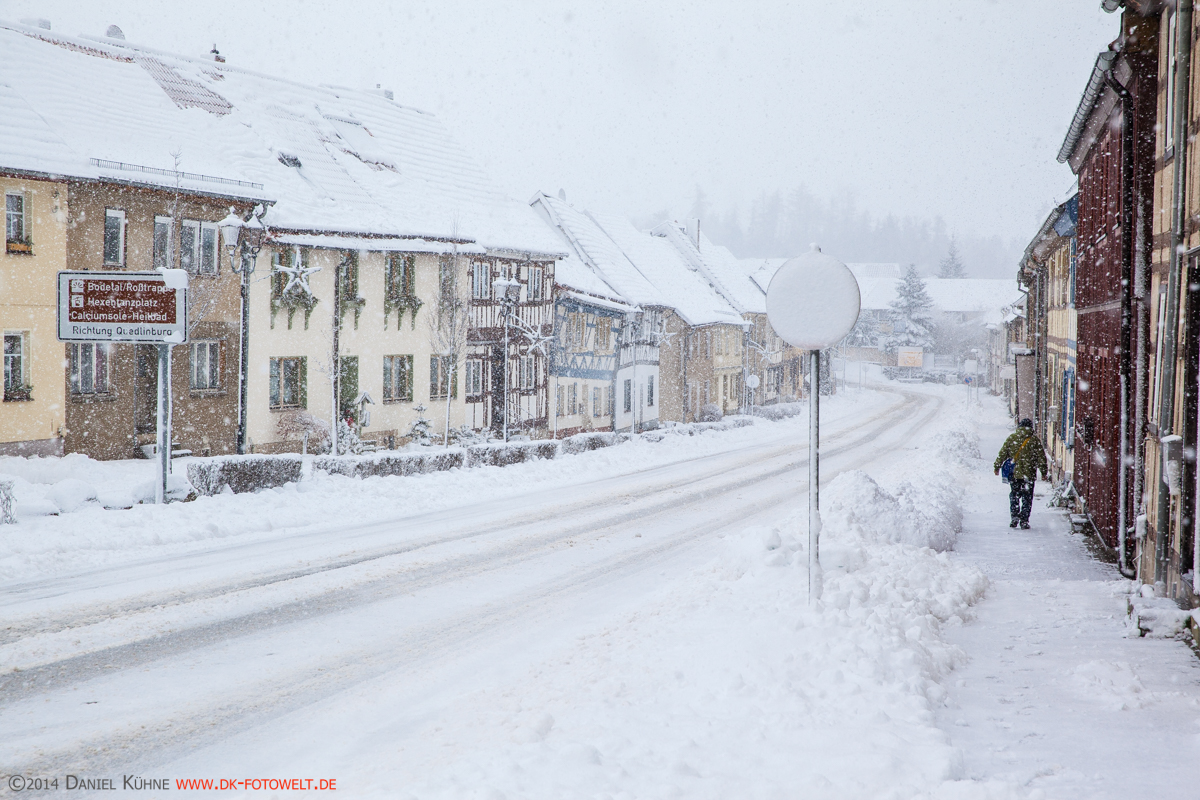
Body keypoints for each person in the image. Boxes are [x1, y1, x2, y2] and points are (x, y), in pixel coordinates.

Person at [993, 418, 1048, 529]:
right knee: (1027, 498)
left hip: (1015, 474)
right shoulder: (1034, 440)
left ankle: (1014, 517)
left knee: (1014, 495)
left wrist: (997, 466)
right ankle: (1024, 521)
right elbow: (1041, 458)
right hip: (1029, 475)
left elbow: (1002, 453)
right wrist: (1044, 471)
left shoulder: (1012, 438)